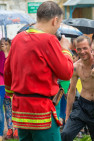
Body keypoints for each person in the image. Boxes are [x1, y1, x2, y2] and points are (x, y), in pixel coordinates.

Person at [4, 1, 74, 141]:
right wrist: (66, 50)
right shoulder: (48, 40)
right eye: (59, 23)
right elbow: (66, 73)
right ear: (55, 20)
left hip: (21, 110)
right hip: (41, 111)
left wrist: (11, 93)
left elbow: (8, 71)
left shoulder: (17, 38)